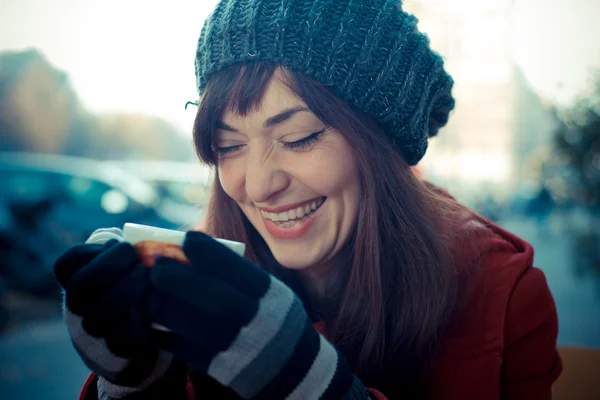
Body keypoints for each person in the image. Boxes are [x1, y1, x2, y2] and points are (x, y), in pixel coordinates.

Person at [54, 0, 562, 399]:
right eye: (229, 147)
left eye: (298, 138)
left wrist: (311, 384)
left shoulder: (503, 301)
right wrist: (132, 384)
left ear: (380, 145)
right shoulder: (196, 276)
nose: (256, 186)